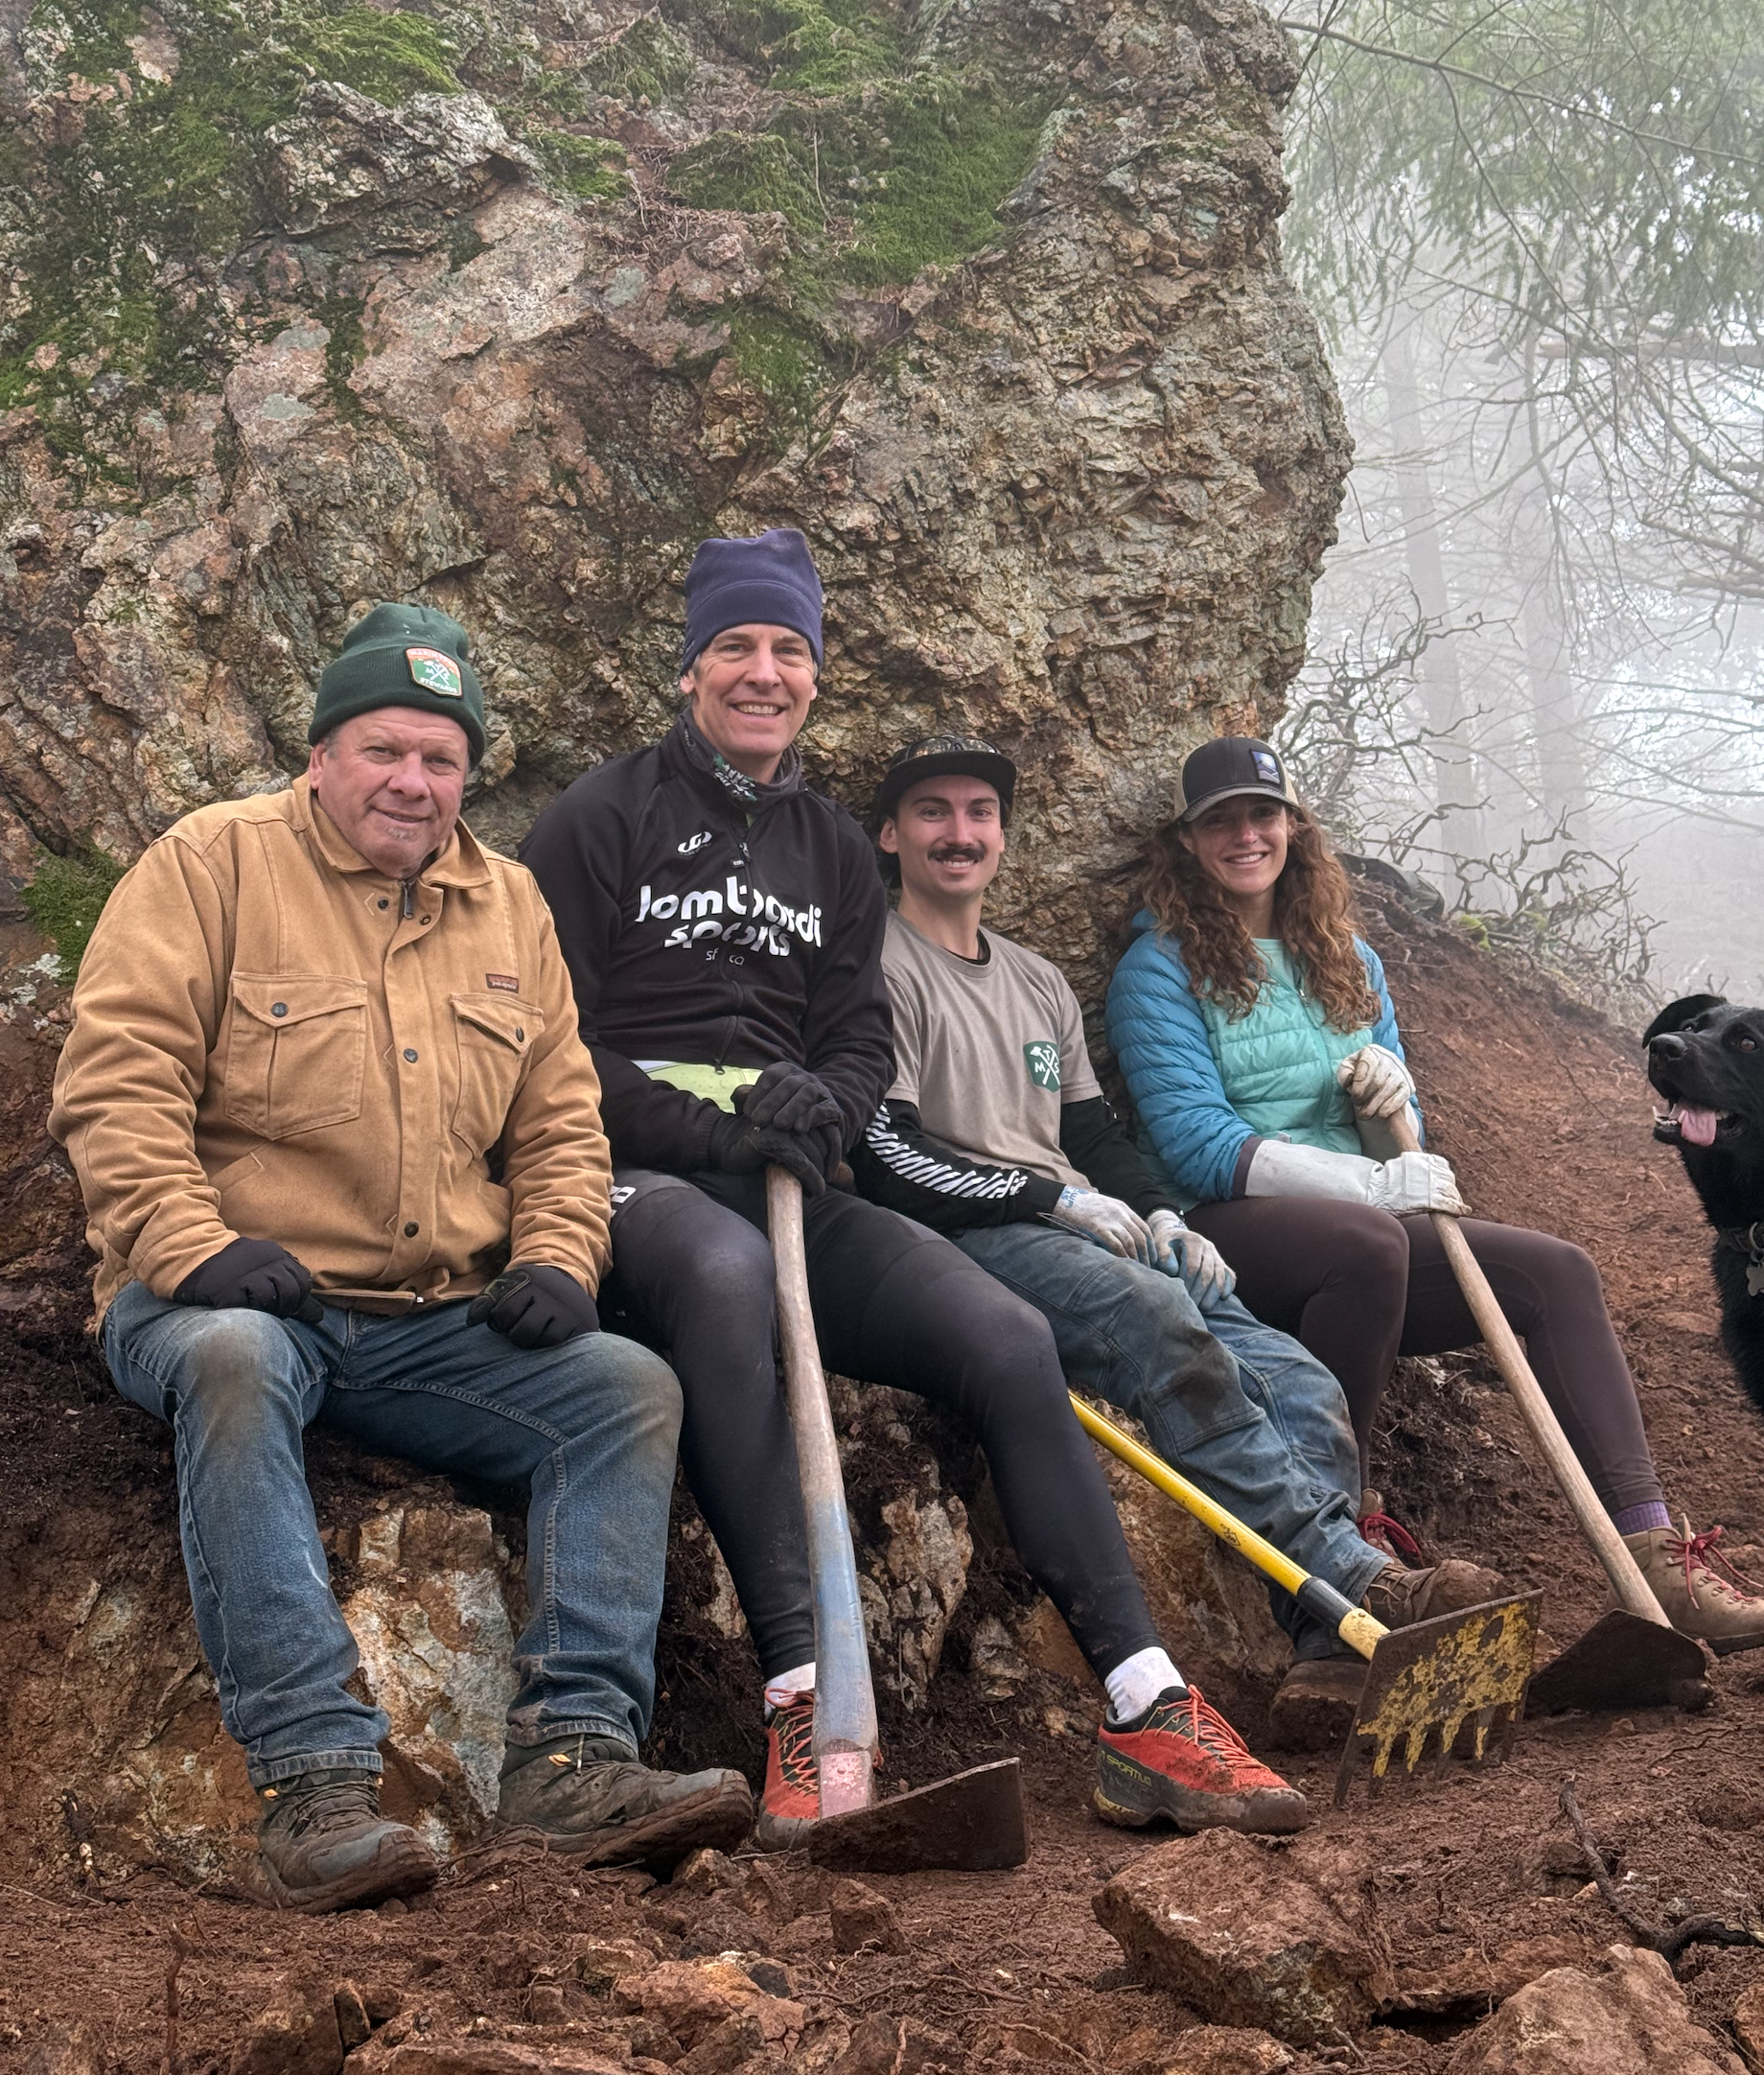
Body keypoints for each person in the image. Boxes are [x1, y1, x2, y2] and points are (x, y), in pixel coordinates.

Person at [520, 529, 1311, 1842]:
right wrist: (711, 1126)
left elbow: (856, 1035)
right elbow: (546, 1041)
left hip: (791, 1175)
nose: (763, 673)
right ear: (689, 670)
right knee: (722, 1289)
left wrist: (822, 1103)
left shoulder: (833, 849)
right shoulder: (598, 821)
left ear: (815, 676)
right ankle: (797, 1695)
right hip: (632, 1176)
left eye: (789, 650)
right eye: (736, 648)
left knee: (1005, 1335)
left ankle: (1145, 1700)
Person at [50, 602, 755, 1913]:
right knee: (237, 1361)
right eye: (384, 750)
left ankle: (573, 1765)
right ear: (322, 753)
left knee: (626, 1390)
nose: (411, 782)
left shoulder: (511, 906)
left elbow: (558, 1118)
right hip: (223, 1298)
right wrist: (194, 1247)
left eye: (440, 760)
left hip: (427, 1318)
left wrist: (557, 1255)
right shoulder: (209, 864)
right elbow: (114, 1081)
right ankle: (315, 1790)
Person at [850, 734, 1503, 1739]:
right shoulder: (872, 970)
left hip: (1095, 1225)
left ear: (1002, 837)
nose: (959, 832)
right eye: (932, 812)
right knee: (1158, 1317)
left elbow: (1091, 1135)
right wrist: (1047, 1201)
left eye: (979, 813)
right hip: (972, 1233)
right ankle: (1351, 1577)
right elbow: (886, 1152)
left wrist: (1155, 1209)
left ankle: (1327, 1655)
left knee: (1296, 1377)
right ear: (891, 835)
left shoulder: (1034, 981)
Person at [1104, 734, 1764, 1652]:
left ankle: (1654, 1557)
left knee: (1556, 1273)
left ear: (1295, 827)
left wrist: (1385, 1103)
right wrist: (1372, 1179)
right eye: (1221, 821)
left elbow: (1400, 1128)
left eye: (1264, 814)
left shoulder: (1348, 959)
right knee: (1366, 1244)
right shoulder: (1158, 971)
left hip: (1357, 1235)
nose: (1246, 835)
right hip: (1227, 1239)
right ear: (1190, 840)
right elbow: (1199, 1145)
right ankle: (1338, 1553)